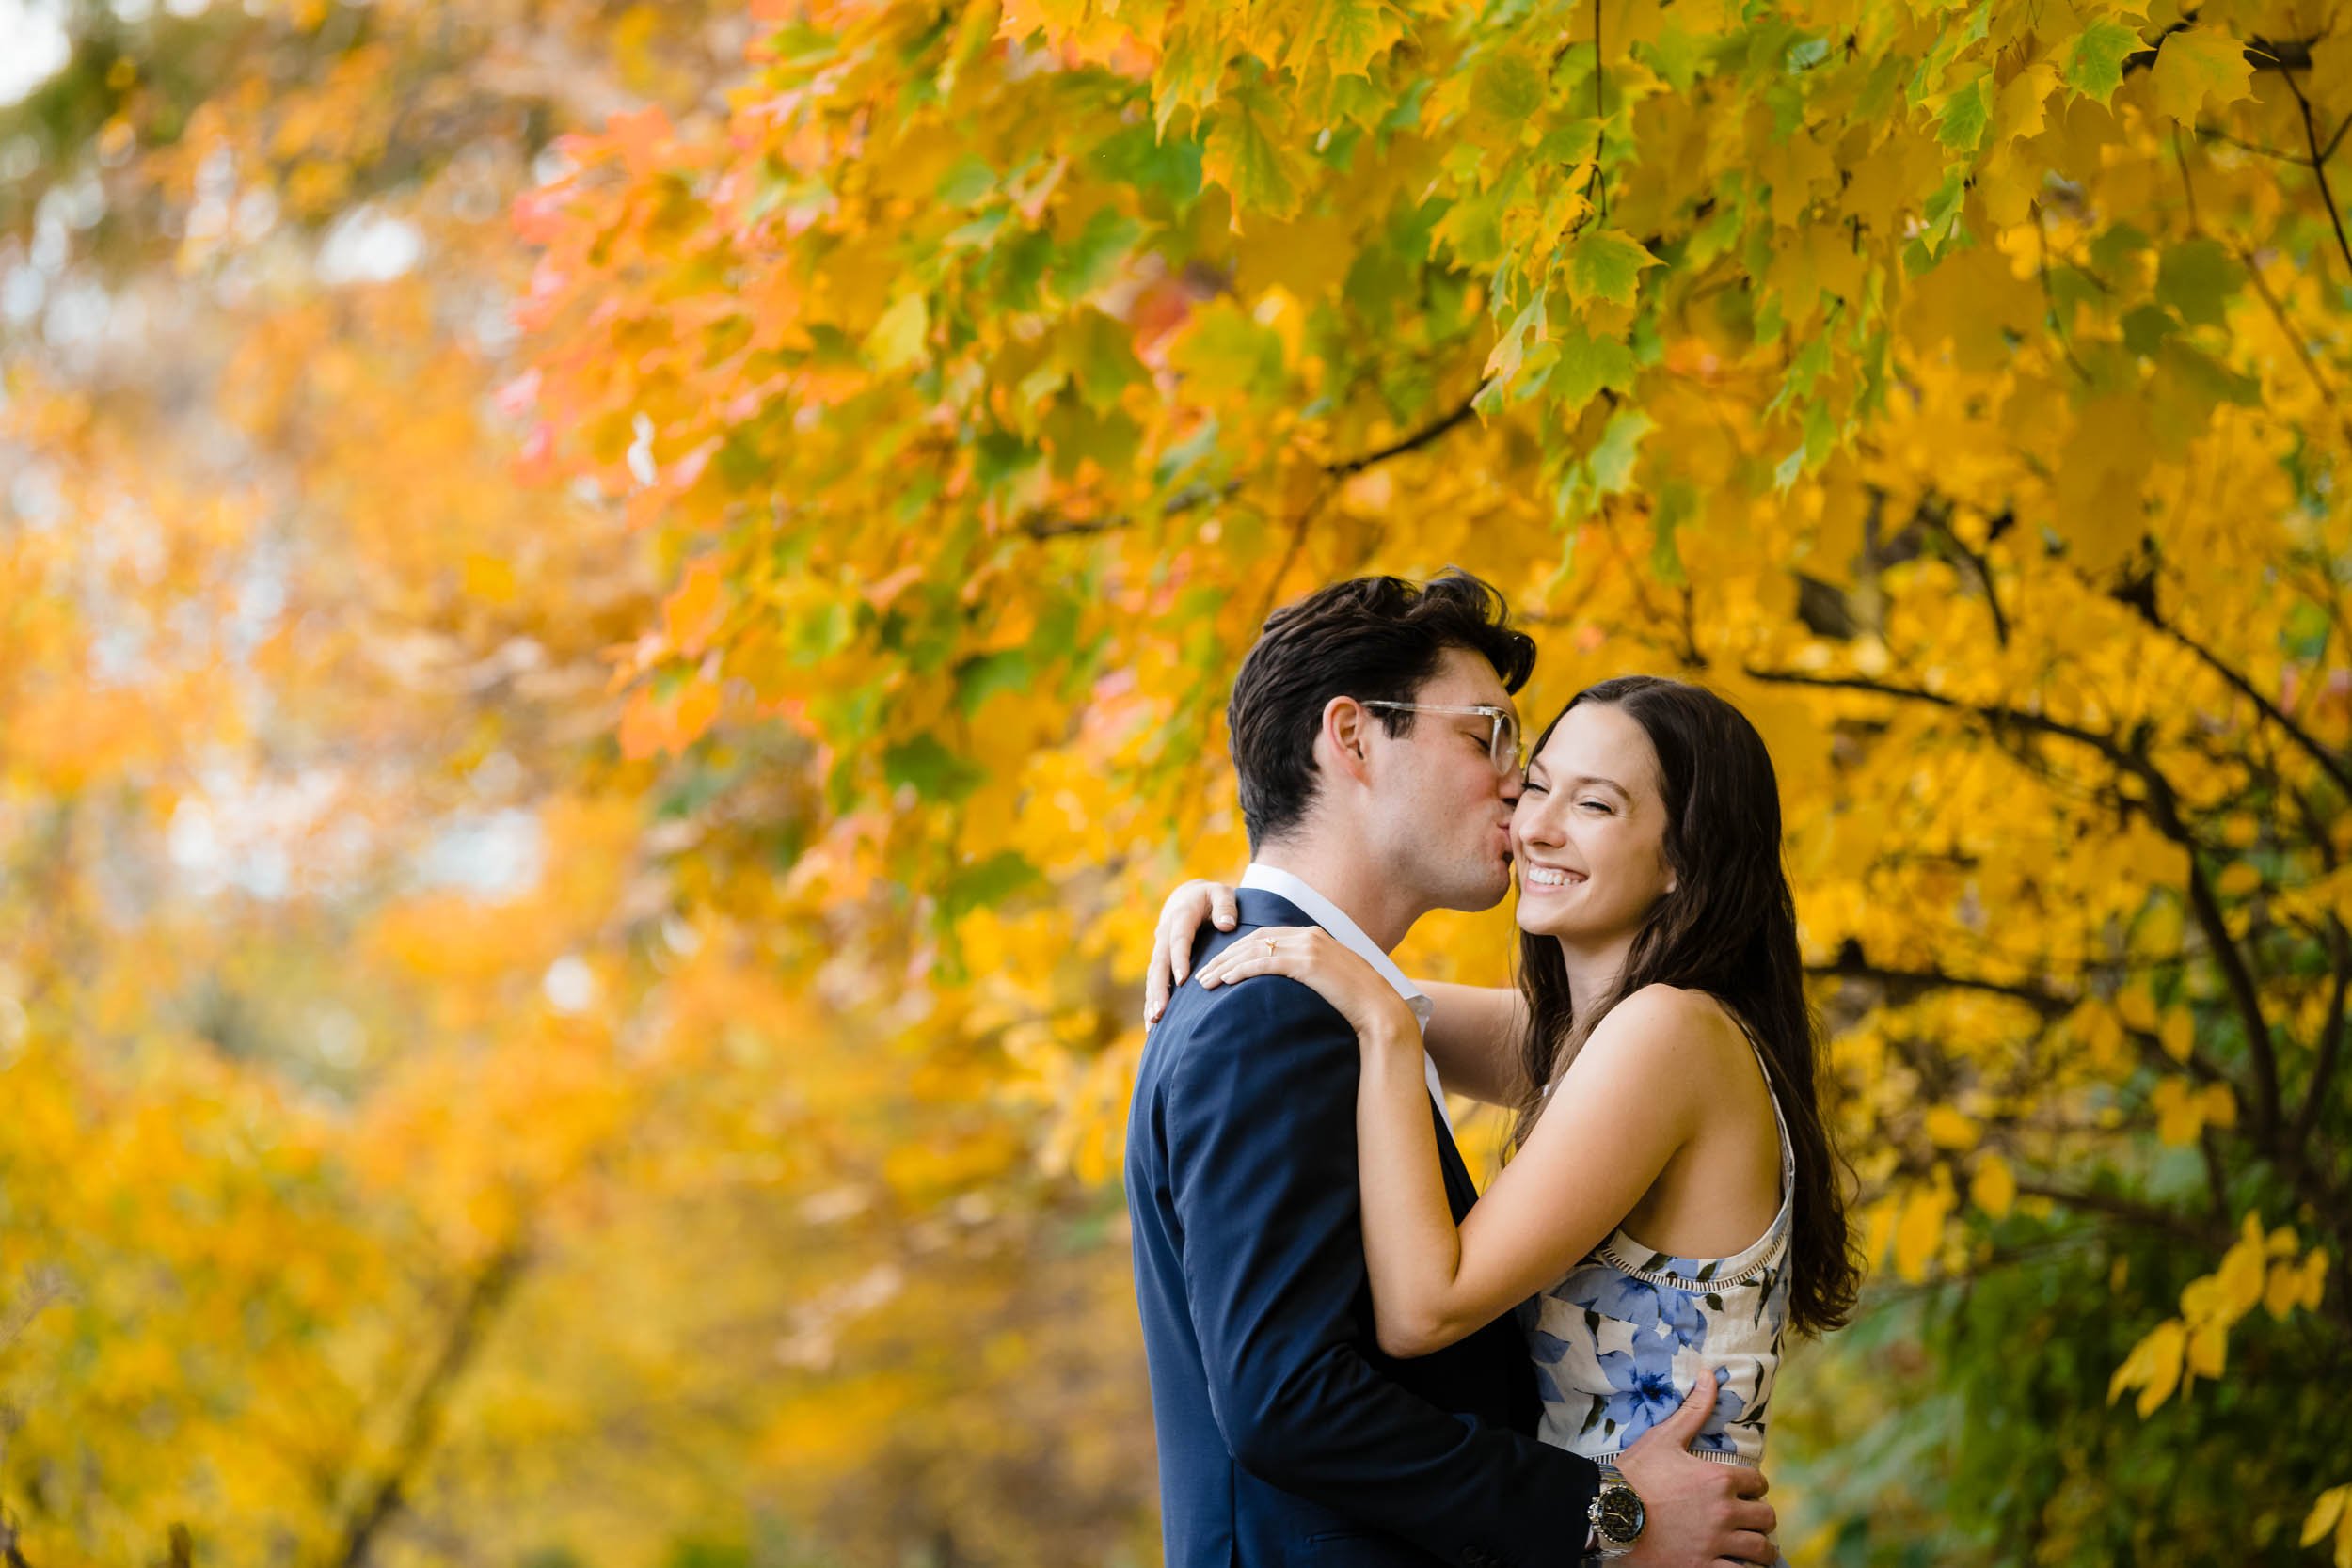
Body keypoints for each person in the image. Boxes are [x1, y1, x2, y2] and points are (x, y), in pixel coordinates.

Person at [1125, 573, 1780, 1568]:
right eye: (1488, 738)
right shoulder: (1273, 1006)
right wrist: (1238, 907)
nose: (1520, 792)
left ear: (1682, 852)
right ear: (1350, 738)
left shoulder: (1649, 1037)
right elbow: (1285, 1402)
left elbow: (1395, 1013)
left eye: (1589, 798)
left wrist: (1269, 925)